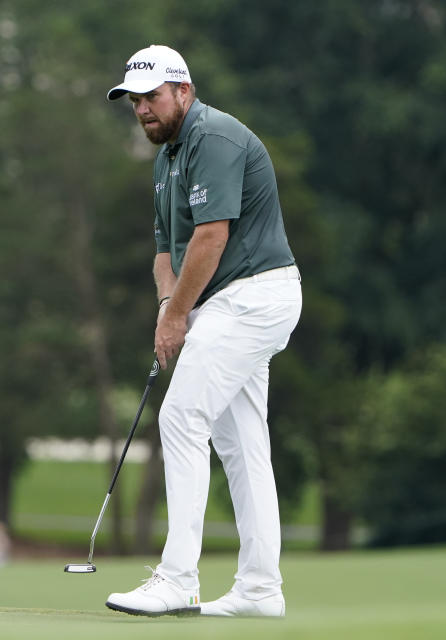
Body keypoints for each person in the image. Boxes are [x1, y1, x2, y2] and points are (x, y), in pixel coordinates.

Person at [104, 45, 302, 618]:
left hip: (256, 295)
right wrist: (172, 307)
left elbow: (211, 238)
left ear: (183, 92)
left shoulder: (213, 139)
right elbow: (167, 252)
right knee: (242, 446)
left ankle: (178, 578)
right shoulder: (166, 159)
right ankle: (261, 590)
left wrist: (174, 319)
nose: (142, 108)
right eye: (134, 100)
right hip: (228, 304)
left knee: (181, 416)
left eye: (152, 97)